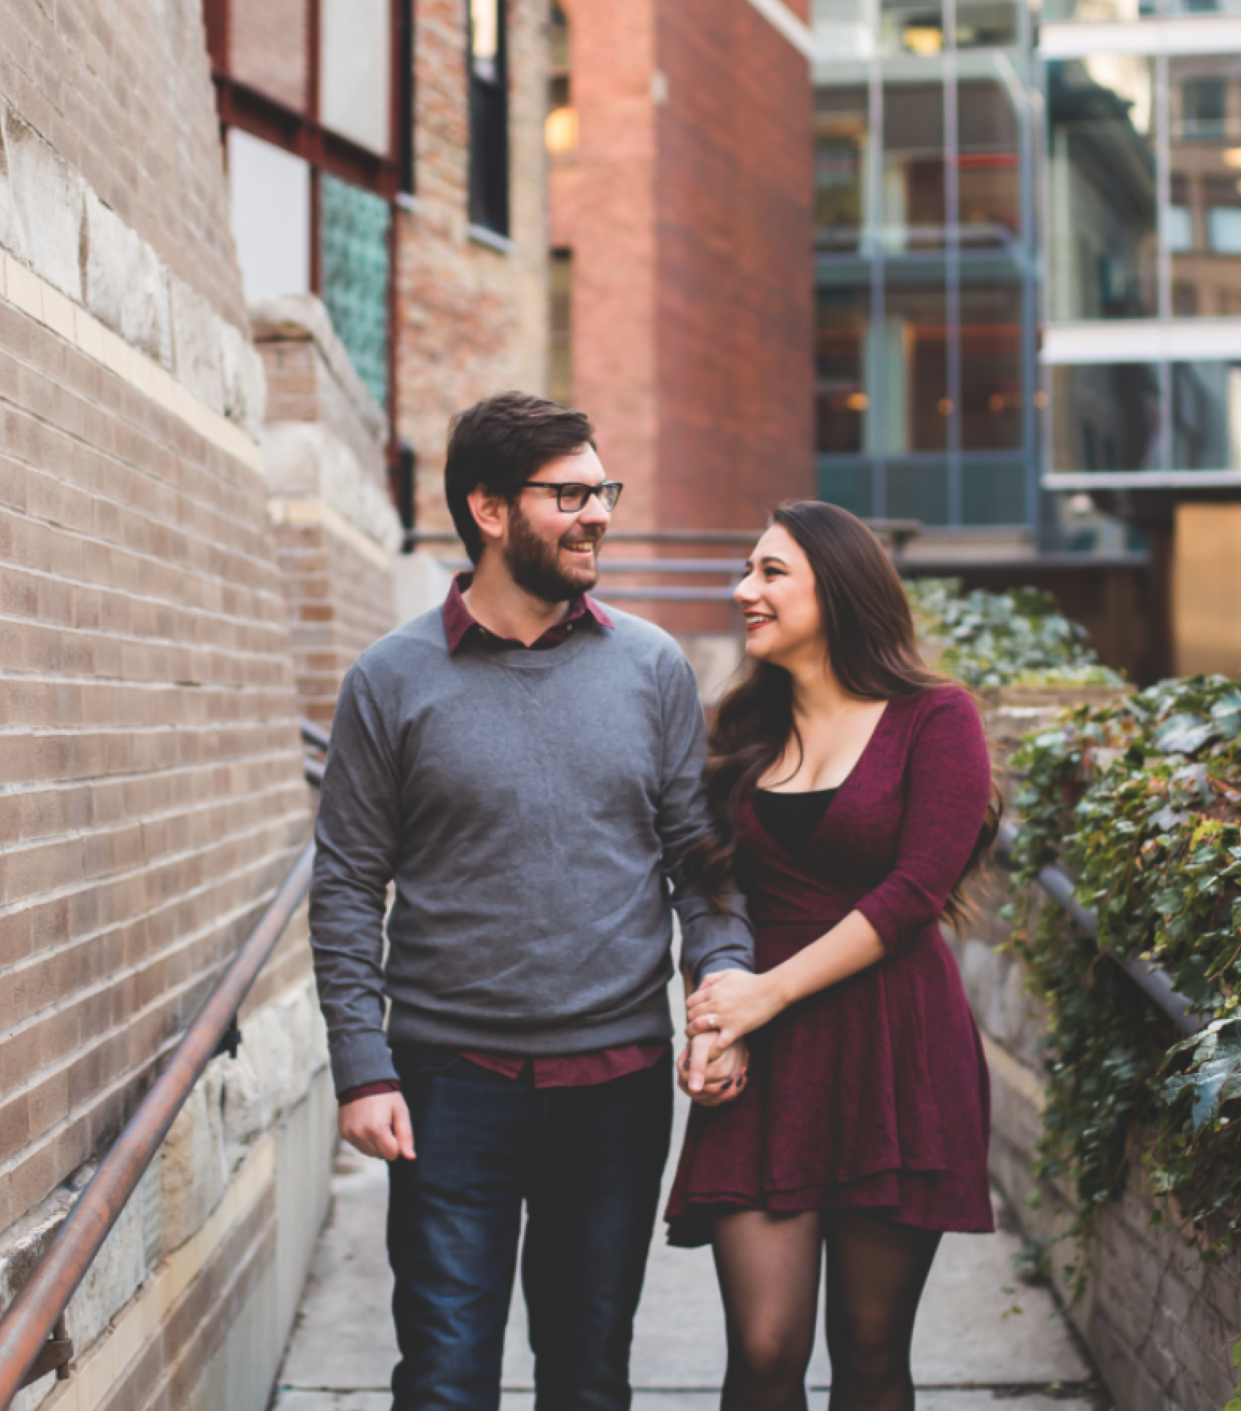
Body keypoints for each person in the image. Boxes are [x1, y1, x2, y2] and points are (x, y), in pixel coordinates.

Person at [310, 391, 754, 1411]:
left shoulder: (651, 667)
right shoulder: (390, 680)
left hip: (617, 1084)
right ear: (491, 508)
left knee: (589, 1377)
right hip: (445, 1084)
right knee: (443, 1379)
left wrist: (721, 980)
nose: (598, 511)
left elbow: (699, 861)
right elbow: (344, 882)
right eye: (570, 493)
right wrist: (360, 1067)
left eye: (603, 488)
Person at [664, 500, 1000, 1411]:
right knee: (765, 1353)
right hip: (764, 1054)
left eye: (771, 573)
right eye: (747, 570)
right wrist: (720, 1013)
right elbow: (710, 890)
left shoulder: (937, 718)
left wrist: (764, 997)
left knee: (869, 1349)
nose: (745, 591)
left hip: (898, 1047)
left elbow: (915, 891)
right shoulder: (736, 733)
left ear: (840, 590)